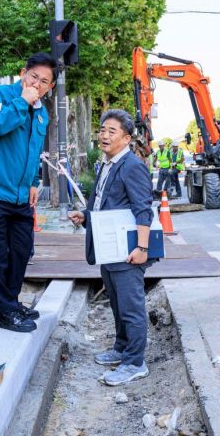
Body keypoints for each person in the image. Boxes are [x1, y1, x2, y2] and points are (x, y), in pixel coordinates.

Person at [0, 52, 56, 333]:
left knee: (21, 251)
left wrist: (33, 181)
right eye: (34, 77)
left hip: (21, 196)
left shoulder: (42, 111)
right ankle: (4, 312)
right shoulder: (2, 95)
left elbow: (33, 150)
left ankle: (11, 302)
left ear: (50, 86)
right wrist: (22, 102)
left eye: (44, 81)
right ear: (23, 72)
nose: (37, 84)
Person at [68, 109, 154, 386]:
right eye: (102, 130)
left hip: (128, 249)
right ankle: (121, 348)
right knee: (117, 303)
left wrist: (142, 247)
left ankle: (135, 363)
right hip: (109, 248)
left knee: (131, 307)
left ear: (127, 138)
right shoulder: (106, 165)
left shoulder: (132, 166)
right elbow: (103, 202)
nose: (104, 135)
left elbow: (144, 210)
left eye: (111, 131)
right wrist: (85, 214)